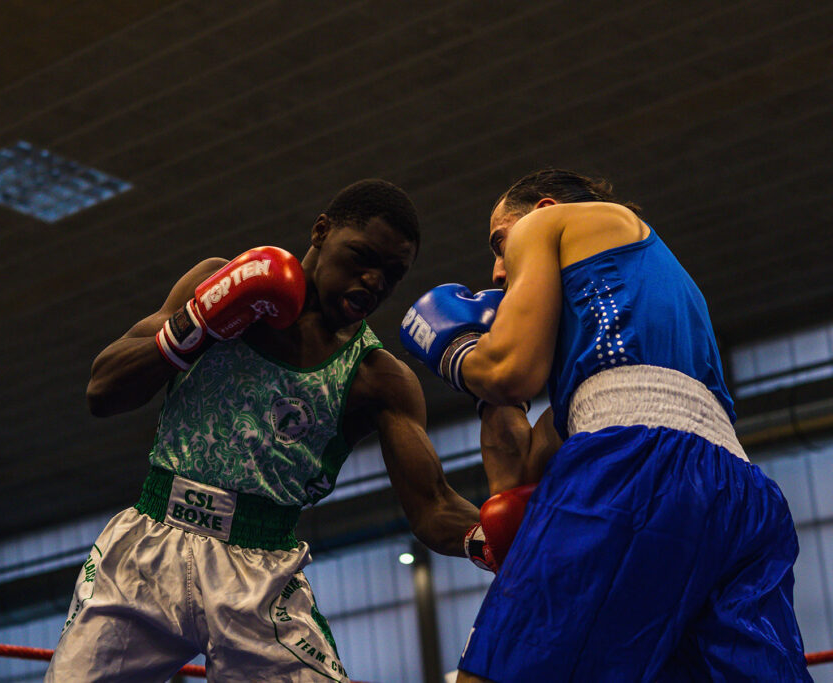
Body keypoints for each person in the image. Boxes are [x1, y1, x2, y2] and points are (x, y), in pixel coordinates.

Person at [45, 179, 481, 682]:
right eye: (362, 256)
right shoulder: (220, 282)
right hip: (147, 547)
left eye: (391, 273)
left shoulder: (377, 376)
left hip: (259, 573)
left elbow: (433, 506)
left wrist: (502, 540)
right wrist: (197, 326)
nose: (373, 280)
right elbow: (102, 391)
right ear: (321, 230)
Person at [400, 169, 811, 681]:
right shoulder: (620, 352)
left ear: (544, 209)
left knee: (493, 673)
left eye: (500, 243)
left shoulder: (553, 224)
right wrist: (488, 394)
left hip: (637, 470)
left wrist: (459, 350)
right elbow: (514, 485)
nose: (499, 272)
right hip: (742, 499)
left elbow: (509, 372)